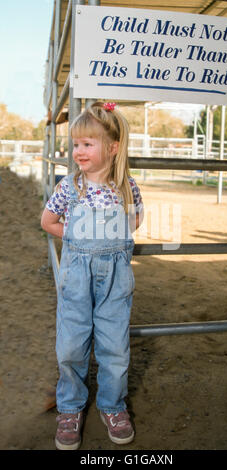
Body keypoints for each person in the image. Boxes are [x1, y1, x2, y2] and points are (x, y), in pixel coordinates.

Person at [41, 101, 144, 450]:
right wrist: (76, 235)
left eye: (87, 144)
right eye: (76, 144)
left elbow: (134, 224)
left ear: (113, 148)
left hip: (115, 279)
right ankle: (70, 407)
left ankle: (113, 406)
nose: (78, 151)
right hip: (77, 277)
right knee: (71, 342)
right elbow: (48, 222)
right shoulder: (69, 187)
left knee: (114, 344)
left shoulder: (127, 188)